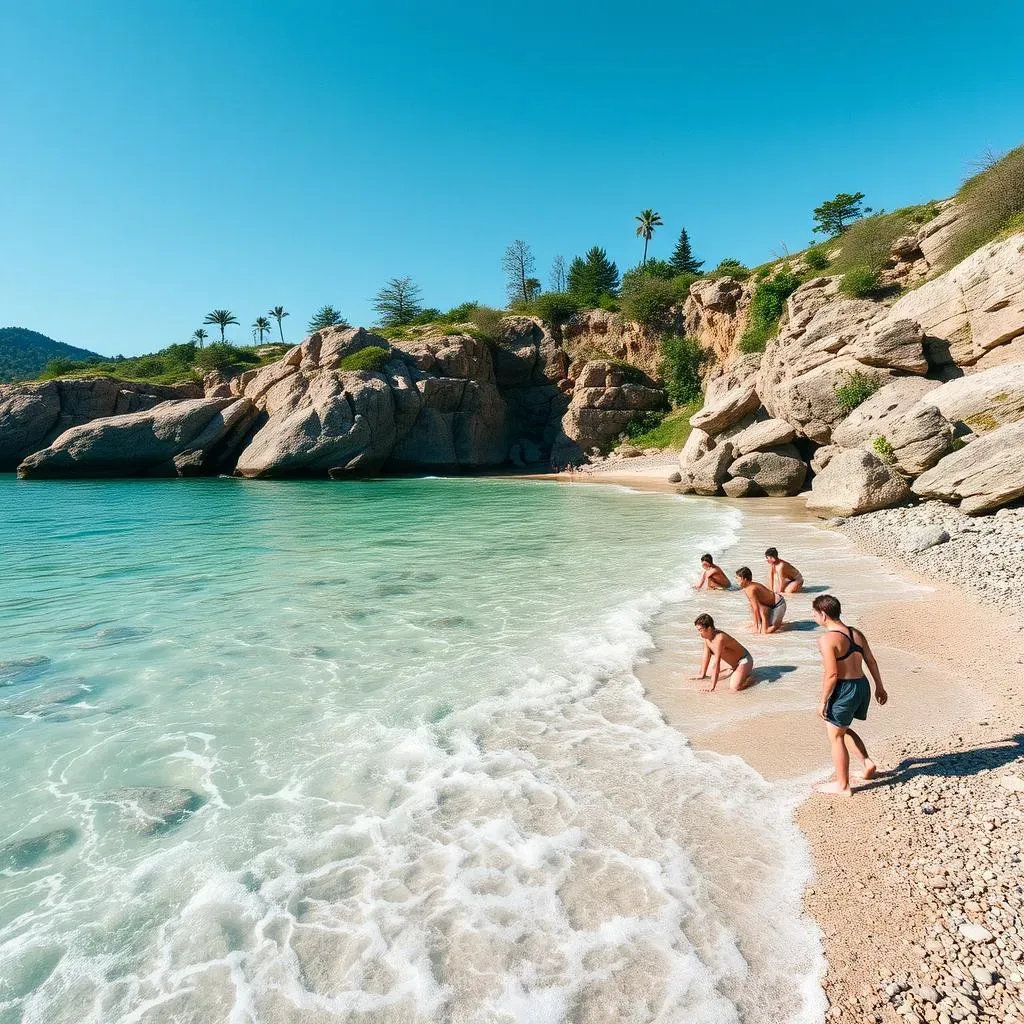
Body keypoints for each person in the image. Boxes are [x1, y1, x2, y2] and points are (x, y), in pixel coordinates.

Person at [811, 594, 888, 797]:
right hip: (862, 685)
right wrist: (880, 687)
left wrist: (823, 701)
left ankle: (842, 786)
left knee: (835, 736)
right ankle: (867, 764)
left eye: (814, 613)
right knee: (841, 729)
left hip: (844, 689)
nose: (813, 617)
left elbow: (832, 674)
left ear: (823, 614)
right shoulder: (856, 633)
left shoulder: (827, 639)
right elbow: (871, 661)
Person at [690, 613, 754, 692]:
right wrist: (702, 674)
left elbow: (717, 663)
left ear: (709, 628)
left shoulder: (719, 638)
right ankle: (734, 670)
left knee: (734, 688)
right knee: (709, 676)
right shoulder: (707, 637)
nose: (699, 633)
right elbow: (706, 655)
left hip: (743, 660)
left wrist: (712, 687)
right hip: (731, 663)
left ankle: (750, 678)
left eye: (700, 630)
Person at [735, 566, 786, 633]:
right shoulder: (747, 587)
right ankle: (761, 622)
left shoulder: (751, 589)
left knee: (765, 632)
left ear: (744, 579)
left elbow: (756, 609)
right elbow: (753, 607)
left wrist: (757, 627)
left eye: (738, 578)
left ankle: (776, 624)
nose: (736, 580)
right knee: (751, 605)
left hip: (778, 604)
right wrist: (756, 624)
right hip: (769, 605)